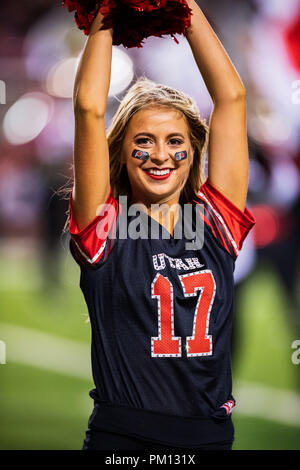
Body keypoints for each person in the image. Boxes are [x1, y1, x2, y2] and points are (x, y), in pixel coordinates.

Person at [67, 0, 256, 451]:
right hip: (123, 442)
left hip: (209, 439)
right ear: (122, 153)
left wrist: (182, 8)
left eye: (175, 141)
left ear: (193, 152)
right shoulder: (105, 227)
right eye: (144, 141)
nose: (160, 154)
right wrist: (108, 10)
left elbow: (231, 97)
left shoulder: (217, 221)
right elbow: (89, 108)